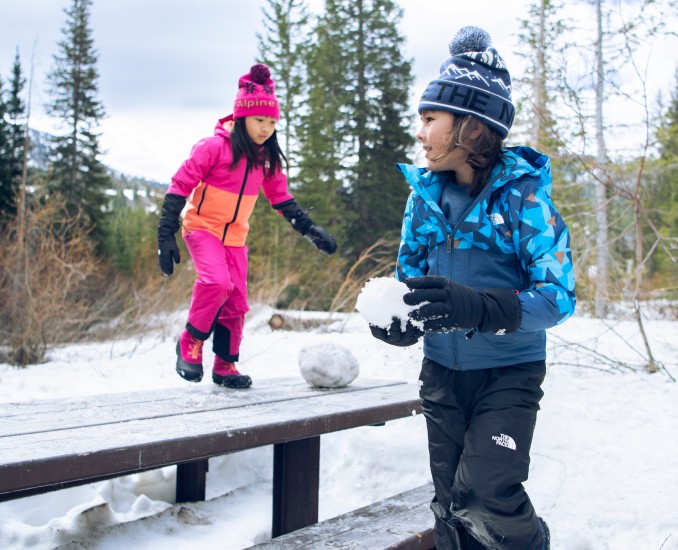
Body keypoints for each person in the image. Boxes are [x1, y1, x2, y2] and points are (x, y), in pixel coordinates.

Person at [370, 27, 576, 549]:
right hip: (442, 373)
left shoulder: (523, 199)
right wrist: (401, 322)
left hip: (509, 373)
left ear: (473, 126)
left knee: (488, 488)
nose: (420, 132)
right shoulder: (425, 199)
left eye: (430, 118)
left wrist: (482, 309)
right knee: (450, 504)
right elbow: (410, 281)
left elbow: (558, 297)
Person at [157, 63, 337, 389]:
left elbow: (280, 198)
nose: (266, 128)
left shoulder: (265, 159)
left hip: (236, 237)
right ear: (241, 117)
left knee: (237, 300)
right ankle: (190, 341)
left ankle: (225, 364)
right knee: (216, 283)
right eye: (259, 120)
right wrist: (165, 230)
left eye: (271, 121)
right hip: (202, 228)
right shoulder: (213, 148)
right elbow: (180, 184)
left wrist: (309, 229)